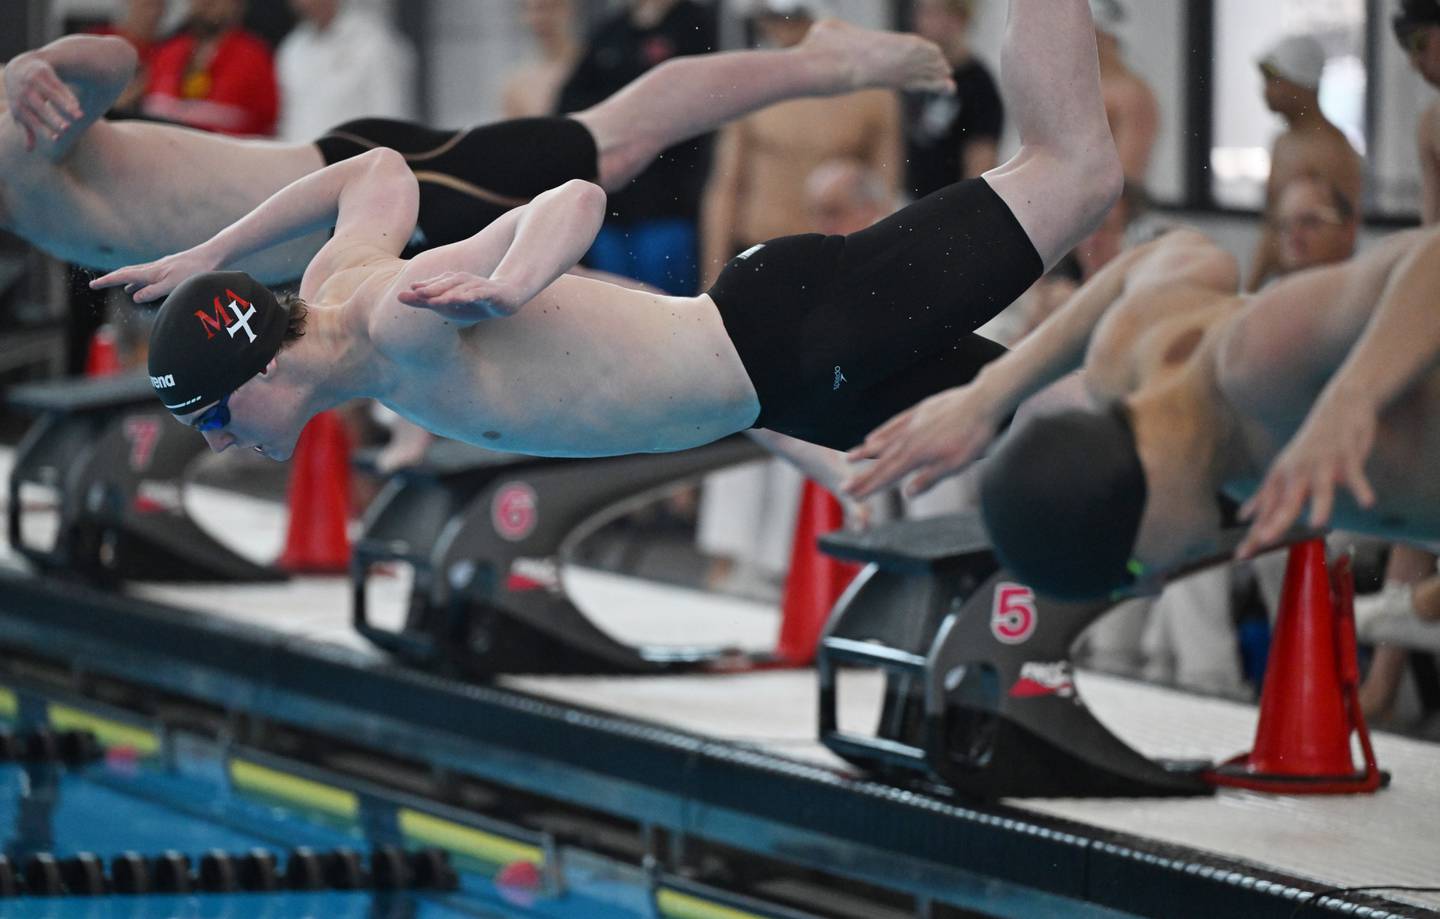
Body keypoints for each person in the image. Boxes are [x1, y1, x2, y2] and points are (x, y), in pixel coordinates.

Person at [90, 0, 1121, 476]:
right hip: (792, 381)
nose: (219, 439)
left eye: (215, 416)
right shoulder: (336, 280)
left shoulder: (394, 320)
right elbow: (374, 172)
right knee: (1074, 427)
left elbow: (572, 199)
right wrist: (204, 258)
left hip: (801, 330)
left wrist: (511, 283)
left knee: (1076, 172)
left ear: (259, 363)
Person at [0, 20, 952, 285]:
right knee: (603, 164)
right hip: (350, 224)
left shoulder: (17, 133)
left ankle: (826, 62)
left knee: (616, 139)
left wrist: (37, 59)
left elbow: (114, 59)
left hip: (374, 188)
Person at [848, 221, 1440, 602]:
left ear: (1133, 502)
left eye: (1134, 570)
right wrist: (989, 396)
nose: (1154, 589)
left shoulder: (1262, 364)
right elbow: (1164, 256)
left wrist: (1350, 399)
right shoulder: (1128, 358)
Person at [700, 1, 901, 287]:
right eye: (773, 17)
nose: (782, 26)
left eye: (792, 17)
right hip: (759, 248)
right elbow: (725, 188)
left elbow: (884, 193)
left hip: (834, 257)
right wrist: (712, 278)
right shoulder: (749, 86)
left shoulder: (871, 91)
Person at [556, 0, 717, 295]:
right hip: (613, 208)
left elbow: (705, 106)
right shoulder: (611, 32)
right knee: (613, 307)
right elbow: (568, 107)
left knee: (669, 311)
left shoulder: (698, 27)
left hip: (670, 206)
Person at [1244, 35, 1364, 292]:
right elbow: (1271, 229)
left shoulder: (1331, 149)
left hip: (1318, 292)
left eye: (1273, 79)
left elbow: (1343, 239)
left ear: (1301, 82)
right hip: (1285, 286)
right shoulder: (1282, 142)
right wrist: (1248, 294)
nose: (1265, 90)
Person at [275, 0, 417, 143]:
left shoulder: (374, 43)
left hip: (359, 158)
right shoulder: (293, 47)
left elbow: (391, 117)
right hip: (306, 158)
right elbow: (289, 119)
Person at [904, 0, 1003, 196]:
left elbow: (979, 167)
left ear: (957, 19)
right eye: (920, 13)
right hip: (908, 205)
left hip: (947, 208)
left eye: (932, 13)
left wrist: (962, 216)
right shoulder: (913, 76)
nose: (920, 22)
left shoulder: (978, 85)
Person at [142, 0, 279, 136]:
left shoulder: (255, 59)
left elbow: (269, 128)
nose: (205, 2)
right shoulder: (165, 54)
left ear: (238, 5)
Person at [1396, 0, 1440, 222]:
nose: (1415, 62)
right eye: (1408, 48)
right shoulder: (1430, 123)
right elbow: (1430, 230)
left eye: (1419, 43)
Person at [1269, 173, 1360, 277]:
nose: (1294, 235)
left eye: (1309, 221)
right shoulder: (1269, 290)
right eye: (1284, 224)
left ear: (1348, 230)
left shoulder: (1368, 289)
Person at [502, 0, 580, 119]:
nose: (540, 18)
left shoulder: (594, 66)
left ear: (567, 10)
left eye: (548, 8)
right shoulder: (517, 86)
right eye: (533, 10)